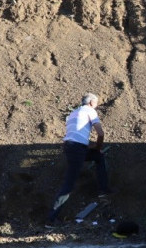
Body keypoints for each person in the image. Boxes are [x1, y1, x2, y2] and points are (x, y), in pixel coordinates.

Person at [46, 93, 112, 226]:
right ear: (91, 103)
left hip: (72, 148)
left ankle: (103, 191)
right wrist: (98, 146)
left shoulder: (73, 113)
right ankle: (51, 220)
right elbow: (100, 133)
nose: (97, 105)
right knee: (68, 185)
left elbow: (76, 135)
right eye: (96, 103)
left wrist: (92, 147)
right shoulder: (90, 111)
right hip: (77, 150)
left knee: (98, 157)